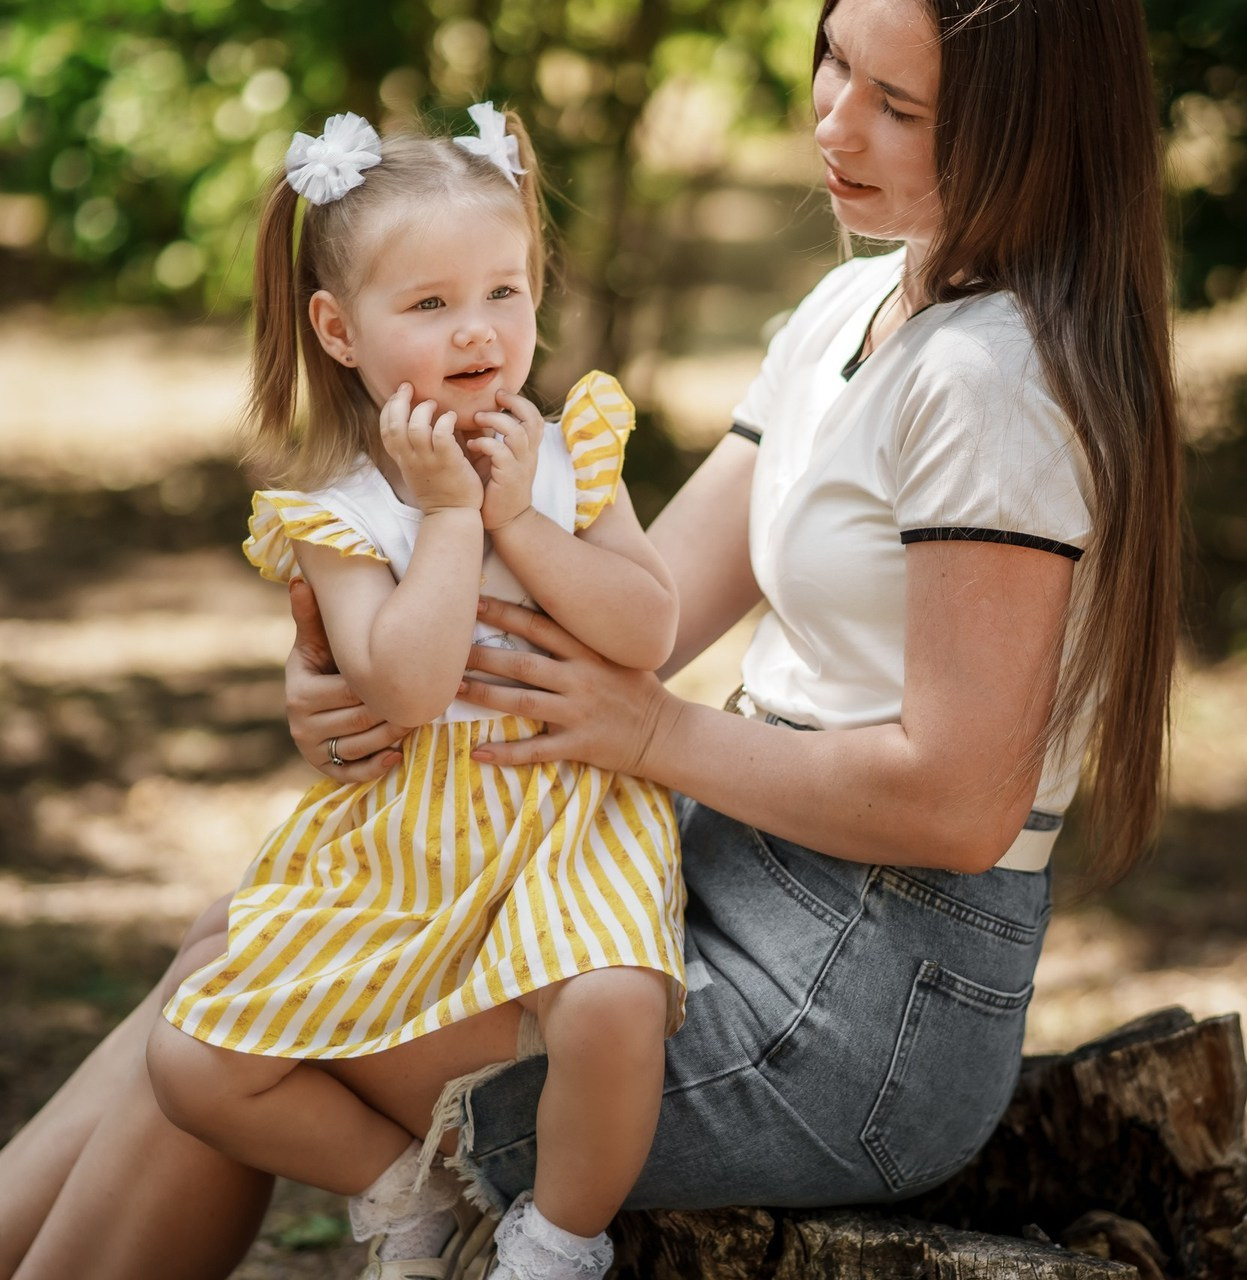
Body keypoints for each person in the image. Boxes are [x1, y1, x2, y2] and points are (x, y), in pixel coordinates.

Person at [0, 0, 1182, 1275]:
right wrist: (363, 664)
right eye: (832, 61)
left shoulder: (989, 378)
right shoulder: (853, 305)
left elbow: (956, 802)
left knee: (240, 1006)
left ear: (1028, 128)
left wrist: (649, 730)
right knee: (242, 938)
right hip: (728, 876)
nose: (834, 119)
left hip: (858, 1000)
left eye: (899, 106)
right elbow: (627, 608)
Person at [151, 101, 686, 1280]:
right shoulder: (336, 510)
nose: (478, 331)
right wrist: (447, 514)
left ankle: (556, 1241)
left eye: (505, 290)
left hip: (563, 814)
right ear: (340, 331)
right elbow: (401, 686)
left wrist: (517, 521)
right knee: (190, 1056)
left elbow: (649, 628)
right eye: (431, 304)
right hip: (409, 831)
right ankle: (418, 1186)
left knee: (610, 1003)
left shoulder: (567, 449)